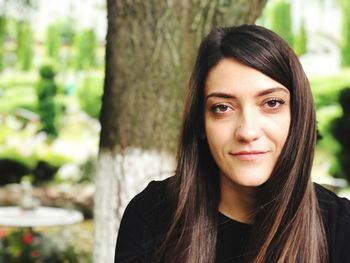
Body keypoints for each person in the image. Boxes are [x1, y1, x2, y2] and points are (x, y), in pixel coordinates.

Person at [115, 24, 350, 263]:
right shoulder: (152, 215)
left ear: (297, 116)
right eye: (222, 108)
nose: (247, 132)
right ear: (201, 124)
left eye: (271, 103)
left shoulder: (341, 227)